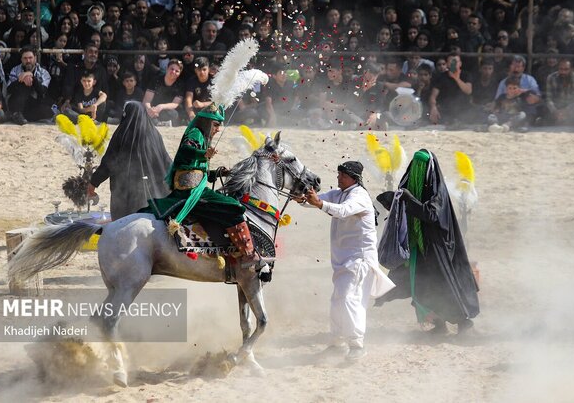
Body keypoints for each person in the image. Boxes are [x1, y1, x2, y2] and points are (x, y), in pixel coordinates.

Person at [143, 103, 272, 266]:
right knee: (234, 206)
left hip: (194, 187)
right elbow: (185, 149)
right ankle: (248, 254)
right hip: (190, 192)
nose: (218, 129)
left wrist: (216, 173)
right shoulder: (195, 132)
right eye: (216, 125)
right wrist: (203, 153)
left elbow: (193, 168)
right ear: (207, 122)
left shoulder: (201, 136)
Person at [375, 149, 479, 334]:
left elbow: (430, 213)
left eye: (421, 166)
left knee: (444, 287)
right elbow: (402, 209)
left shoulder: (438, 193)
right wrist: (391, 199)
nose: (418, 170)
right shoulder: (409, 186)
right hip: (417, 248)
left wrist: (409, 199)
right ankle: (439, 325)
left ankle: (464, 324)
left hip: (438, 251)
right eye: (415, 165)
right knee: (420, 286)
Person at [299, 161, 378, 361]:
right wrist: (302, 197)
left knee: (349, 299)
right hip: (343, 258)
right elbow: (317, 200)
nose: (338, 178)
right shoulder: (339, 192)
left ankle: (357, 345)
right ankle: (337, 343)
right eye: (338, 174)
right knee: (337, 299)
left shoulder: (359, 196)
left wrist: (319, 204)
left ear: (353, 178)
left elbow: (341, 211)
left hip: (359, 258)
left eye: (342, 175)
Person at [87, 101, 171, 221]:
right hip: (152, 196)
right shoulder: (155, 134)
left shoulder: (122, 134)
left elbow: (109, 162)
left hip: (125, 194)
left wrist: (93, 183)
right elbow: (166, 160)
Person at [6, 45, 52, 125]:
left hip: (34, 104)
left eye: (30, 58)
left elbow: (42, 91)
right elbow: (9, 89)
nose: (28, 61)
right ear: (21, 59)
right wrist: (21, 80)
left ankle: (24, 117)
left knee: (49, 111)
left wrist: (32, 77)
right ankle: (17, 115)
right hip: (17, 104)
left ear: (35, 58)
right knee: (24, 84)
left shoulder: (44, 73)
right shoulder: (15, 70)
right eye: (25, 58)